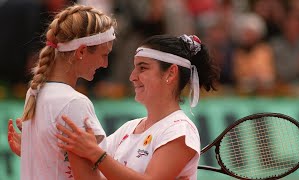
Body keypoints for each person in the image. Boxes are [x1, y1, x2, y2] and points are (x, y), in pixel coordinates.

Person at [9, 34, 220, 179]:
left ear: (171, 73)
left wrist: (97, 155)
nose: (132, 76)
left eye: (142, 68)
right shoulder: (129, 129)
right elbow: (92, 176)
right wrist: (41, 150)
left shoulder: (180, 131)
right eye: (134, 68)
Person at [8, 4, 116, 180]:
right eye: (105, 55)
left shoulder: (35, 92)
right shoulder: (74, 103)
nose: (105, 64)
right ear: (81, 51)